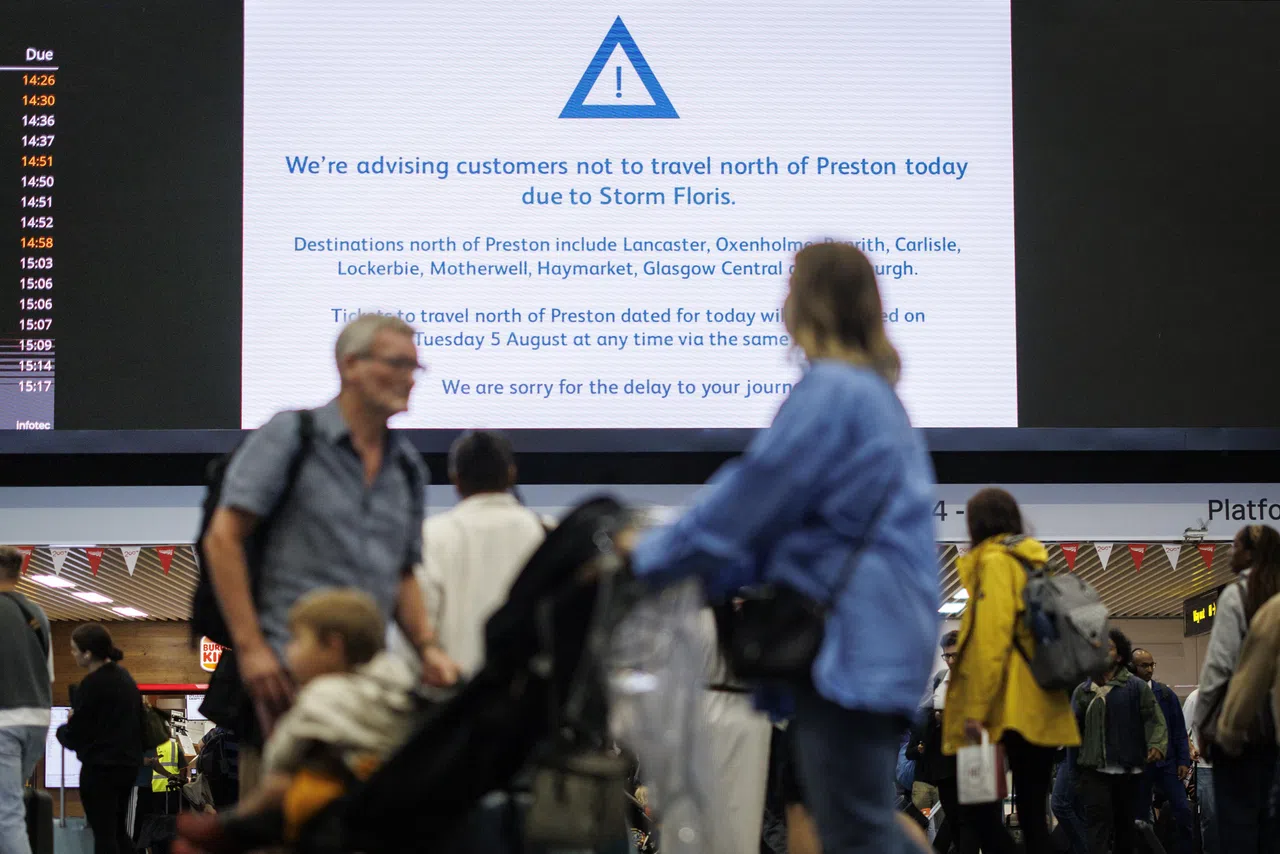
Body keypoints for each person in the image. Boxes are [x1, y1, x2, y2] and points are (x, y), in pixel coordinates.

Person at [628, 241, 939, 854]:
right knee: (858, 821)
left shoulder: (833, 394)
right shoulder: (872, 397)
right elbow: (784, 527)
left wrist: (642, 558)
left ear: (808, 301)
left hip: (852, 646)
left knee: (853, 828)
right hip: (876, 639)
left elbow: (750, 500)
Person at [202, 314, 457, 793]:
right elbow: (224, 538)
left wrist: (428, 648)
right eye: (398, 363)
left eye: (416, 367)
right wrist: (252, 649)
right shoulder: (291, 437)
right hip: (285, 677)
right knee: (282, 824)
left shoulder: (407, 468)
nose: (409, 377)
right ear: (351, 365)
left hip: (366, 685)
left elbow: (404, 572)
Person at [174, 588, 419, 853]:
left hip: (327, 818)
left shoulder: (324, 694)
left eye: (297, 640)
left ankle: (228, 827)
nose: (288, 651)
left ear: (333, 646)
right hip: (385, 813)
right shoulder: (401, 688)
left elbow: (283, 756)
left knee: (280, 784)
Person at [941, 488, 1080, 854]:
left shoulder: (995, 563)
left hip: (1005, 708)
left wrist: (975, 711)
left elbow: (990, 642)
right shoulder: (1033, 561)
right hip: (1043, 700)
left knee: (978, 812)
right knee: (1033, 819)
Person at [397, 429, 546, 686]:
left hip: (455, 698)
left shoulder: (430, 536)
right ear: (511, 474)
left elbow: (416, 627)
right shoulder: (547, 534)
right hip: (531, 699)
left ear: (456, 480)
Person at [1192, 524, 1280, 854]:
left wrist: (1205, 723)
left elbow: (1220, 668)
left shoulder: (1238, 594)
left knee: (1239, 827)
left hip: (1245, 730)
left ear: (1251, 553)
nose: (1230, 554)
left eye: (1235, 547)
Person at [1071, 629, 1167, 854]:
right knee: (1097, 829)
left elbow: (1154, 720)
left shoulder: (1136, 688)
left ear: (1120, 656)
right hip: (1093, 772)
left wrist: (1156, 745)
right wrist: (1075, 774)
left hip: (1128, 772)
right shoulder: (1083, 691)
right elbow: (1073, 737)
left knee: (1126, 829)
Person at [56, 624, 144, 854]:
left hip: (100, 768)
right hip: (127, 766)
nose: (73, 655)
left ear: (88, 653)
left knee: (103, 834)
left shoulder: (92, 684)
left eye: (75, 650)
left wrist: (62, 729)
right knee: (118, 831)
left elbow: (76, 735)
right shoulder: (125, 678)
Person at [0, 546, 53, 854]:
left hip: (5, 720)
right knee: (8, 803)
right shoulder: (37, 615)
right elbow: (47, 674)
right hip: (36, 720)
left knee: (7, 813)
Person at [910, 630, 974, 854]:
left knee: (970, 822)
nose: (950, 661)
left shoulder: (977, 680)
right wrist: (935, 717)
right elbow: (919, 718)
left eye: (955, 655)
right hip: (943, 762)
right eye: (946, 656)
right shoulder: (939, 680)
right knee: (953, 818)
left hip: (971, 760)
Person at [1129, 648, 1192, 854]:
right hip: (1139, 766)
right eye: (1144, 665)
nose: (1149, 669)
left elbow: (1179, 730)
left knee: (1183, 810)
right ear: (1132, 667)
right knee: (1139, 817)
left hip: (1168, 764)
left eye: (1151, 665)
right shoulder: (1125, 694)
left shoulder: (1165, 694)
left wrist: (1184, 761)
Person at [1181, 688, 1216, 854]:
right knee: (1210, 819)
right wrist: (1190, 748)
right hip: (1206, 767)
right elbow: (1181, 729)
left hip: (1235, 769)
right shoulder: (1196, 698)